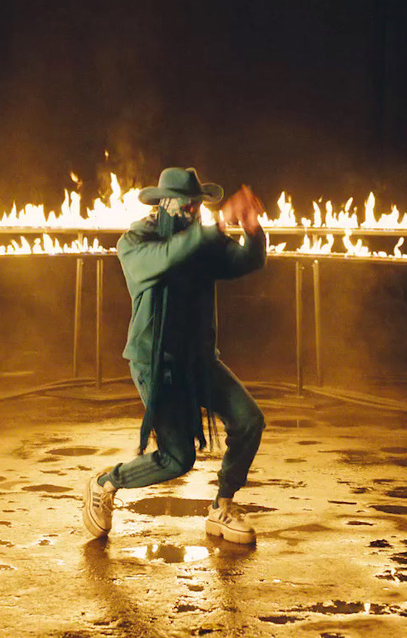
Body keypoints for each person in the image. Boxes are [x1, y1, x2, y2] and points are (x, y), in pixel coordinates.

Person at [83, 166, 269, 545]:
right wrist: (217, 226)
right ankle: (105, 482)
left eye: (196, 208)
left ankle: (222, 506)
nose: (191, 214)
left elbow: (247, 261)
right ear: (164, 206)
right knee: (176, 459)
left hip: (199, 360)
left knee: (249, 420)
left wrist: (252, 229)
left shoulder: (201, 240)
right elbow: (166, 256)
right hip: (157, 364)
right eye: (185, 207)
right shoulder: (135, 243)